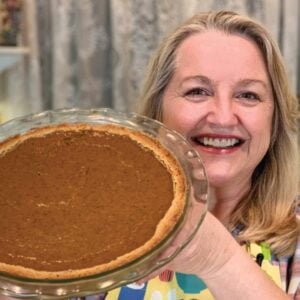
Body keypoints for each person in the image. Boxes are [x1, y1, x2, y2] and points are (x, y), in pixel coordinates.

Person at [102, 10, 299, 299]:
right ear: (158, 113)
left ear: (275, 120)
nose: (222, 117)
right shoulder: (106, 225)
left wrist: (218, 259)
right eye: (197, 91)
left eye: (248, 95)